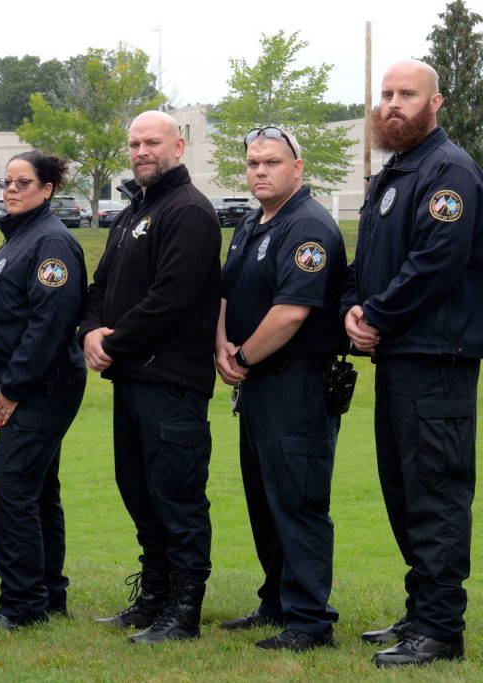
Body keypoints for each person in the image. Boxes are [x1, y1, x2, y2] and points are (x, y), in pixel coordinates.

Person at [344, 59, 483, 668]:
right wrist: (353, 307)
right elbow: (368, 260)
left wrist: (376, 314)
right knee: (403, 489)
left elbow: (436, 262)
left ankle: (440, 630)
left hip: (437, 357)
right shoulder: (392, 174)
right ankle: (418, 611)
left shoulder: (448, 171)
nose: (393, 104)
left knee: (435, 491)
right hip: (400, 357)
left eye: (407, 95)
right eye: (386, 94)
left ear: (436, 103)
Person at [81, 110, 221, 645]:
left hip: (172, 383)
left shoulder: (189, 211)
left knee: (177, 497)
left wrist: (111, 343)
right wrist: (90, 333)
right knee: (139, 493)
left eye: (152, 142)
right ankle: (154, 597)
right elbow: (99, 286)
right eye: (134, 143)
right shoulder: (133, 212)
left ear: (178, 147)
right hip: (132, 380)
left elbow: (170, 299)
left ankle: (182, 613)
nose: (141, 151)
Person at [216, 127, 347, 651]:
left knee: (298, 499)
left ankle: (311, 621)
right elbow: (226, 292)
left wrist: (242, 356)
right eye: (252, 164)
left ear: (298, 167)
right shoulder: (250, 222)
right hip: (257, 383)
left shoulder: (309, 225)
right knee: (263, 498)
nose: (260, 171)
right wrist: (221, 345)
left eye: (271, 162)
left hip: (298, 383)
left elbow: (291, 313)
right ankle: (276, 602)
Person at [0, 152, 87, 633]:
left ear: (48, 188)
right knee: (38, 492)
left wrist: (11, 390)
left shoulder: (51, 242)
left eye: (24, 182)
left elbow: (48, 325)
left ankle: (21, 604)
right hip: (27, 385)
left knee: (12, 488)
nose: (12, 189)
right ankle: (48, 594)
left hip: (42, 387)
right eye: (7, 181)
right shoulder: (20, 237)